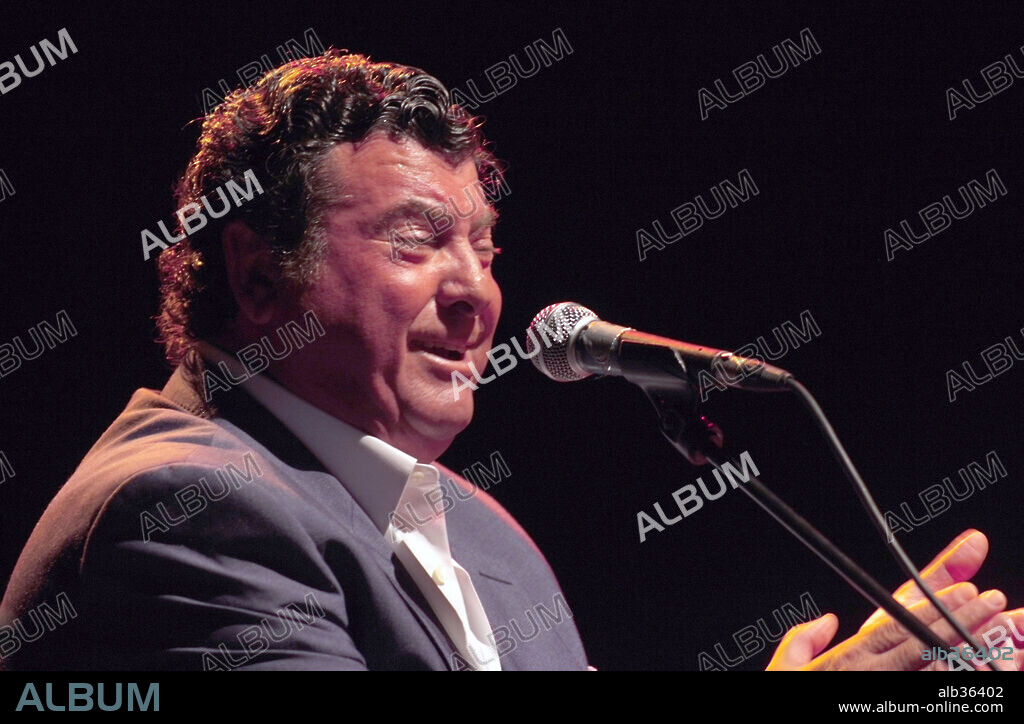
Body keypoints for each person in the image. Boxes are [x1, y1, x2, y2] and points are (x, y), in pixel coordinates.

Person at [0, 51, 1016, 671]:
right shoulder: (185, 512)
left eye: (484, 250)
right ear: (259, 274)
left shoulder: (481, 529)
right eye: (417, 241)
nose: (478, 293)